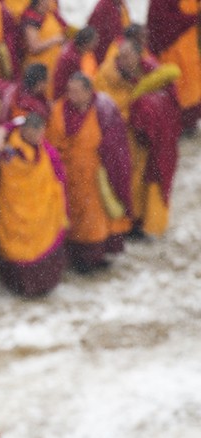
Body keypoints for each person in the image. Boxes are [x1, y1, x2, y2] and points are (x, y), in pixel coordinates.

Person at [94, 37, 182, 238]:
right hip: (121, 138)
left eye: (127, 56)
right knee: (126, 179)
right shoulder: (107, 75)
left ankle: (142, 220)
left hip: (146, 139)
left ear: (138, 55)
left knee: (145, 180)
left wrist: (148, 112)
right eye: (120, 56)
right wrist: (132, 112)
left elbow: (168, 96)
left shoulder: (150, 70)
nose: (122, 61)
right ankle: (126, 221)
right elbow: (105, 108)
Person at [46, 73, 132, 272]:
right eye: (69, 91)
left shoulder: (101, 111)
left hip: (92, 175)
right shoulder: (59, 109)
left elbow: (115, 145)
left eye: (76, 91)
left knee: (94, 221)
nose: (71, 96)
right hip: (66, 175)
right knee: (70, 218)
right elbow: (52, 141)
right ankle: (75, 259)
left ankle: (93, 258)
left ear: (88, 92)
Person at [0, 113, 68, 296]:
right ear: (25, 131)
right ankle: (20, 288)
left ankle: (43, 286)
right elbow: (8, 176)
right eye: (35, 133)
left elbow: (58, 172)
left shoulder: (45, 149)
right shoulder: (10, 150)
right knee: (18, 248)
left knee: (45, 247)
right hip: (16, 205)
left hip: (43, 207)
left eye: (41, 133)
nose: (39, 138)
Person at [147, 0, 201, 132]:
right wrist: (192, 19)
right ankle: (177, 126)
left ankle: (189, 124)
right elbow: (161, 22)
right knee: (175, 88)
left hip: (190, 46)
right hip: (171, 50)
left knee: (192, 87)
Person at [19, 0, 66, 97]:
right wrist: (54, 40)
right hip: (37, 69)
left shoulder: (49, 15)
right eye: (43, 2)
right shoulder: (31, 19)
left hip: (52, 68)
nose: (47, 4)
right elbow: (33, 47)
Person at [52, 26, 99, 99]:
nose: (96, 44)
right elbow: (76, 83)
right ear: (86, 43)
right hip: (63, 96)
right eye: (94, 41)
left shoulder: (72, 46)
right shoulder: (72, 58)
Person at [87, 0, 131, 64]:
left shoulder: (120, 5)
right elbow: (96, 30)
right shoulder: (104, 5)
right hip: (104, 48)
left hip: (116, 46)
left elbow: (126, 25)